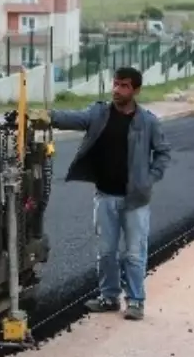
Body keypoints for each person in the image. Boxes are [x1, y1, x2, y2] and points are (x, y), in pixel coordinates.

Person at [30, 66, 172, 321]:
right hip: (105, 196)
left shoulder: (147, 121)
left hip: (135, 201)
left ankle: (136, 301)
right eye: (116, 84)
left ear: (136, 90)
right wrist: (48, 116)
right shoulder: (100, 113)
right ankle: (108, 297)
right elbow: (75, 118)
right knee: (106, 251)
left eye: (124, 86)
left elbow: (163, 153)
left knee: (134, 253)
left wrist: (148, 180)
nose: (117, 90)